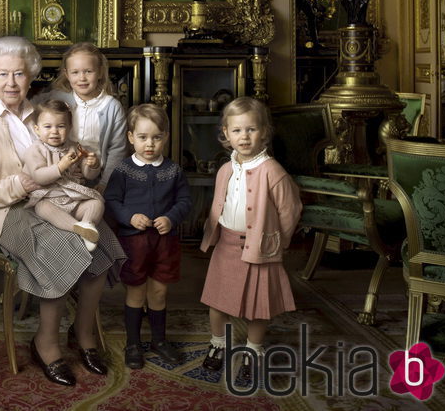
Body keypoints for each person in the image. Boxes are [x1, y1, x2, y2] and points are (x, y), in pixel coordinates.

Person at [0, 36, 125, 386]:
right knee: (62, 245)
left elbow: (67, 163)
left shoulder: (43, 112)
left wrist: (84, 168)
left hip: (53, 199)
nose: (11, 82)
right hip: (3, 211)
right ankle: (45, 341)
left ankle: (83, 333)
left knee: (102, 241)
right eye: (3, 74)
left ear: (31, 76)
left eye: (19, 74)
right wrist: (23, 185)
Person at [199, 97, 302, 387]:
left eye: (251, 130)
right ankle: (218, 342)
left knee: (259, 306)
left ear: (264, 132)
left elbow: (290, 211)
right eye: (237, 131)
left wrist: (277, 243)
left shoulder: (273, 171)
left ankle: (254, 350)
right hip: (226, 245)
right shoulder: (225, 169)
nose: (244, 137)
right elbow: (219, 204)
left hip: (260, 248)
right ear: (226, 134)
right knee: (217, 302)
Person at [104, 103, 191, 370]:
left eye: (156, 137)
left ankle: (159, 341)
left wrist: (171, 217)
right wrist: (129, 217)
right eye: (142, 137)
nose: (149, 144)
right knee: (136, 292)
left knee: (159, 291)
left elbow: (185, 200)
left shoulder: (173, 170)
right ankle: (133, 343)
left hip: (165, 243)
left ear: (165, 136)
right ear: (131, 137)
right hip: (135, 243)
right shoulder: (123, 170)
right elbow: (111, 200)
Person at [35, 42, 129, 187]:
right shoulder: (57, 98)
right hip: (60, 173)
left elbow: (117, 150)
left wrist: (104, 184)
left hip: (96, 175)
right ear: (67, 74)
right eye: (75, 72)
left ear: (100, 72)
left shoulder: (112, 107)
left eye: (88, 71)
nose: (82, 78)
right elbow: (29, 108)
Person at [22, 99, 105, 251]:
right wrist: (60, 167)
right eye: (48, 126)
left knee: (96, 203)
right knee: (42, 208)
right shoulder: (35, 150)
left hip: (73, 198)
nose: (54, 131)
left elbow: (87, 176)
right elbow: (38, 177)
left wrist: (92, 165)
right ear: (37, 129)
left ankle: (87, 224)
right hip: (48, 197)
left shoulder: (74, 147)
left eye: (60, 126)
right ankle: (78, 228)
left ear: (69, 127)